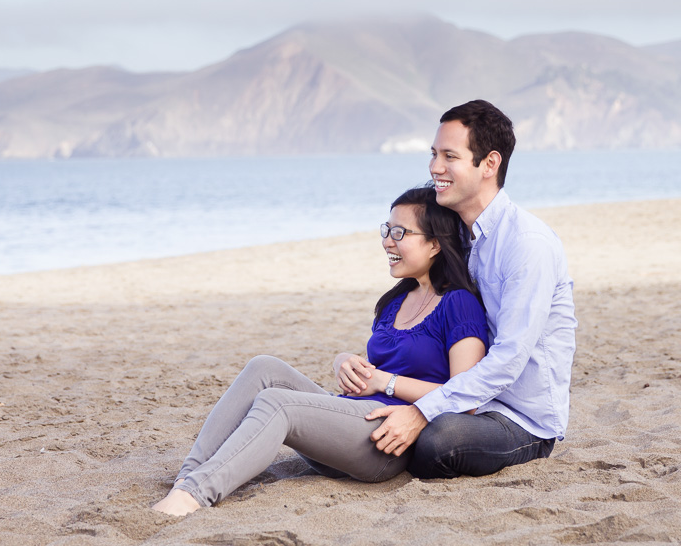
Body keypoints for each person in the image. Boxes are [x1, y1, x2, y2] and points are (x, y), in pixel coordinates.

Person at [152, 185, 488, 516]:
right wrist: (345, 362)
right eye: (386, 229)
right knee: (263, 367)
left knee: (277, 403)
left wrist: (384, 382)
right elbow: (377, 371)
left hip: (384, 442)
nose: (387, 240)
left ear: (433, 244)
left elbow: (466, 399)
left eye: (400, 232)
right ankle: (188, 476)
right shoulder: (396, 301)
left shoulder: (459, 304)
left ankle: (193, 496)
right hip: (350, 419)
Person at [364, 99, 578, 479]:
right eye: (433, 154)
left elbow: (508, 361)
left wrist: (421, 410)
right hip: (460, 397)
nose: (435, 167)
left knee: (438, 440)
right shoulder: (452, 235)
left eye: (450, 156)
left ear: (489, 164)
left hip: (519, 417)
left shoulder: (527, 245)